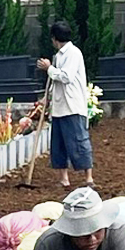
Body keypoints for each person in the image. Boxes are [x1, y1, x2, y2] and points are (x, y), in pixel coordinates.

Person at [36, 21, 94, 188]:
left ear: (55, 38)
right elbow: (56, 81)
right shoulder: (59, 56)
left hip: (73, 106)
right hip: (59, 107)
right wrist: (47, 98)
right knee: (59, 144)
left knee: (79, 141)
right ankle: (64, 179)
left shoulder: (73, 53)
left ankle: (88, 178)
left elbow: (66, 77)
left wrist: (49, 68)